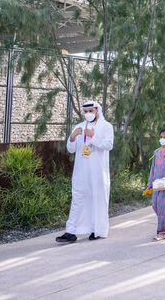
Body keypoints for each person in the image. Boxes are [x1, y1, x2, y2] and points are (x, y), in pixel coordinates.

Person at [56, 101, 114, 244]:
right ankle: (71, 231)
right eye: (86, 111)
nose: (88, 113)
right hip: (81, 171)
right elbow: (71, 149)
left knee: (97, 199)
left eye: (91, 110)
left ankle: (98, 230)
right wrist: (72, 137)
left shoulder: (106, 126)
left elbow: (109, 145)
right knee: (77, 199)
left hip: (97, 172)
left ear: (97, 110)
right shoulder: (79, 126)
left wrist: (93, 137)